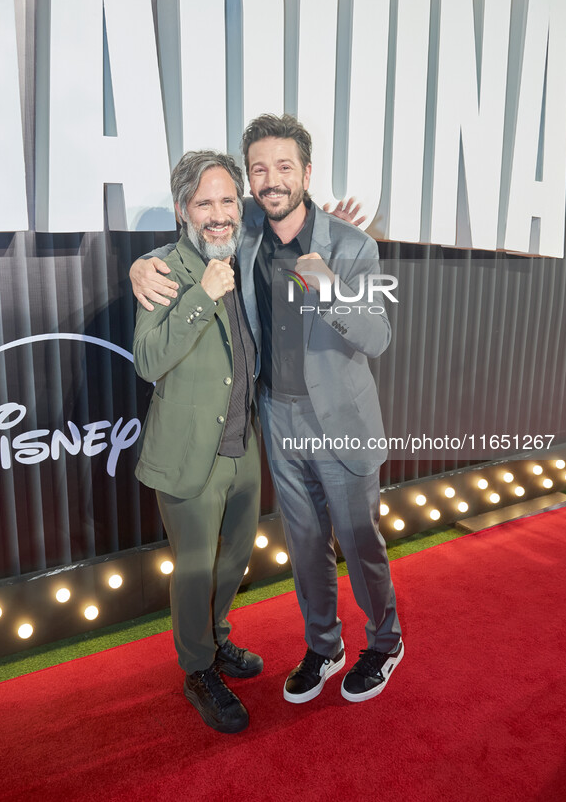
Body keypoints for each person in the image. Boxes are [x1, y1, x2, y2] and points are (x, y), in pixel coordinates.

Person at [131, 114, 402, 706]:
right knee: (305, 545)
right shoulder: (248, 232)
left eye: (285, 166)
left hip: (344, 424)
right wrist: (140, 265)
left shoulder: (353, 245)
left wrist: (330, 288)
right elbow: (198, 229)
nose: (271, 179)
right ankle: (324, 645)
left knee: (359, 540)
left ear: (307, 172)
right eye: (260, 169)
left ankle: (384, 642)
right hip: (277, 417)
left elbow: (378, 337)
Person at [133, 150, 263, 735]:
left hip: (243, 445)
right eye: (204, 202)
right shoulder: (163, 269)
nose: (217, 214)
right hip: (190, 453)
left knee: (234, 559)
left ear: (241, 206)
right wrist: (202, 295)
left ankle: (217, 639)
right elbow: (147, 359)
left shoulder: (249, 253)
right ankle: (197, 669)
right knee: (193, 569)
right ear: (184, 208)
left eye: (227, 200)